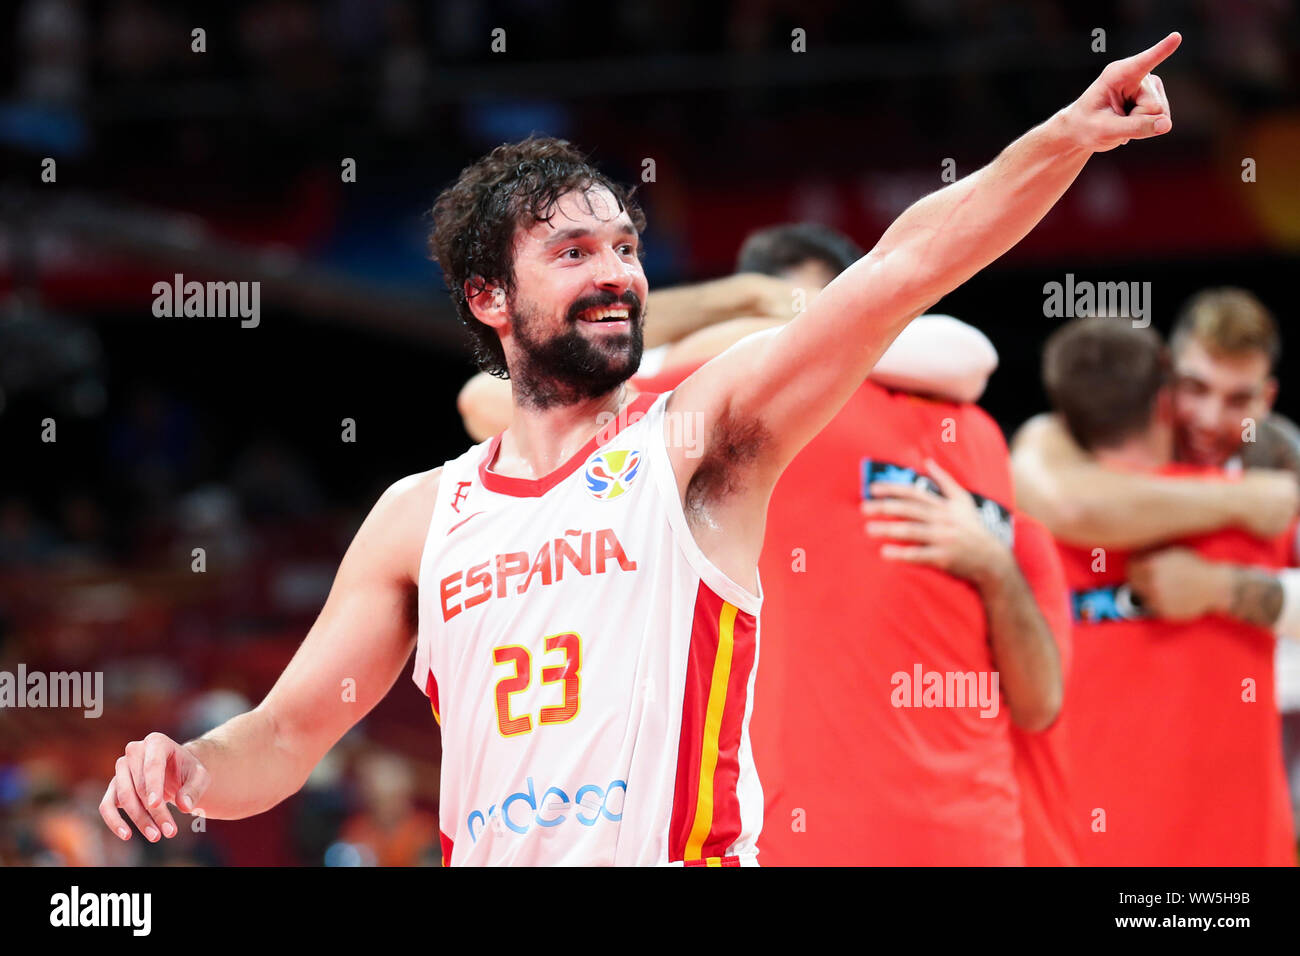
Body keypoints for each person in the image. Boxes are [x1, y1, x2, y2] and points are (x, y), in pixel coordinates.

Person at [97, 34, 1181, 866]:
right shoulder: (420, 514)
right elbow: (285, 735)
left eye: (625, 245)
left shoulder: (697, 440)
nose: (615, 268)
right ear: (491, 297)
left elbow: (901, 268)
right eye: (573, 250)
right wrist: (188, 769)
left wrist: (1064, 137)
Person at [1030, 317, 1295, 864]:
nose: (1209, 418)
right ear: (1166, 393)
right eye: (1196, 390)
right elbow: (1074, 501)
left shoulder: (1026, 514)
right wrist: (1243, 502)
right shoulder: (1256, 503)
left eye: (1237, 398)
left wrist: (1220, 586)